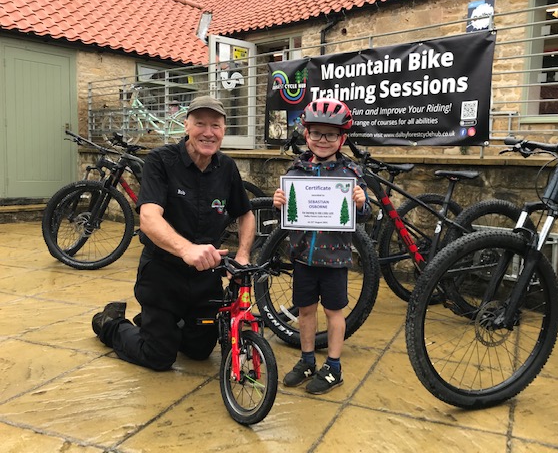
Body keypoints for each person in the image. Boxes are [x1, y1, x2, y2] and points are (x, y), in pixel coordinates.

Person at [92, 95, 255, 371]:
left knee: (200, 351)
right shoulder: (161, 161)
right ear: (186, 127)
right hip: (163, 274)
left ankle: (157, 323)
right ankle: (110, 323)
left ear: (224, 131)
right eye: (200, 124)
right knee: (158, 356)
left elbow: (246, 214)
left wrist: (243, 253)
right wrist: (186, 249)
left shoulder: (226, 168)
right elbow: (148, 218)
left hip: (206, 278)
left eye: (215, 125)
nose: (208, 132)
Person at [273, 97, 371, 394]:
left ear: (342, 138)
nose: (323, 140)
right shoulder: (296, 172)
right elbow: (289, 215)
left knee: (333, 313)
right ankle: (306, 360)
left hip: (335, 260)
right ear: (307, 135)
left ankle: (334, 366)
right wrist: (279, 204)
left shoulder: (351, 174)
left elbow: (364, 215)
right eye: (316, 133)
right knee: (305, 311)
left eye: (331, 134)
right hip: (303, 257)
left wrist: (361, 203)